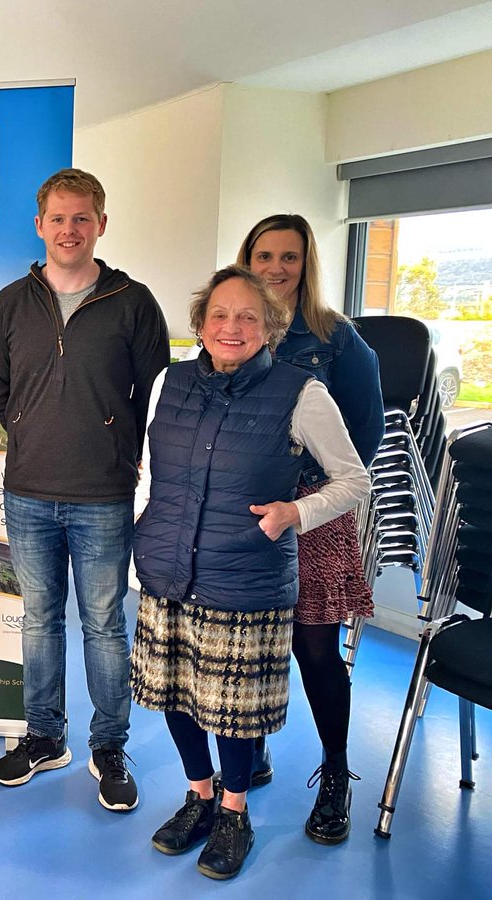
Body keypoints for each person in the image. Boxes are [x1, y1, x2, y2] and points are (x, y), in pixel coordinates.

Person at [131, 266, 370, 880]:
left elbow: (354, 480)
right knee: (175, 693)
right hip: (166, 566)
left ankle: (235, 813)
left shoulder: (301, 392)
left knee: (232, 708)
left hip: (245, 574)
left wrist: (296, 513)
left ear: (270, 327)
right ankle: (200, 797)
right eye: (219, 314)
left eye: (247, 317)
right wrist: (143, 531)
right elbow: (152, 471)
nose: (230, 327)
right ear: (200, 324)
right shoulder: (169, 382)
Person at [0, 168, 169, 811]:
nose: (69, 230)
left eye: (81, 218)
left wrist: (118, 447)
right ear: (39, 225)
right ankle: (44, 737)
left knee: (104, 626)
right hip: (28, 492)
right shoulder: (11, 303)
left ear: (101, 224)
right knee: (39, 620)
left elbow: (155, 394)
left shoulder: (133, 302)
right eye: (58, 219)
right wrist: (33, 431)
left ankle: (109, 746)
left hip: (103, 495)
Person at [237, 214, 383, 843]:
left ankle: (335, 775)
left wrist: (314, 495)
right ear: (247, 261)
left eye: (289, 257)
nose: (275, 268)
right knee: (250, 641)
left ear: (307, 263)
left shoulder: (337, 339)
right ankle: (251, 752)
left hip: (314, 515)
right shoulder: (236, 325)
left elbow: (365, 437)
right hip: (248, 509)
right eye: (264, 256)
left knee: (316, 649)